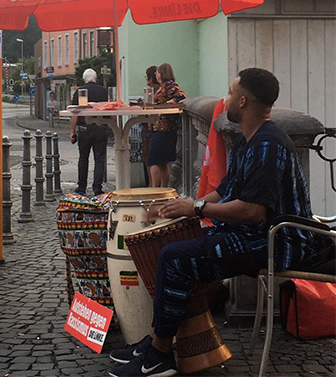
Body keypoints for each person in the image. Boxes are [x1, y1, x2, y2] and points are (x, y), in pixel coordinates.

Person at [108, 68, 315, 377]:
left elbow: (252, 211)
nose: (226, 98)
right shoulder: (250, 140)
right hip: (255, 234)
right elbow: (224, 191)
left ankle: (160, 354)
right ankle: (156, 342)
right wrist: (179, 207)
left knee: (174, 257)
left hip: (276, 242)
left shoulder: (267, 145)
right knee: (173, 244)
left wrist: (197, 209)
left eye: (231, 93)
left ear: (243, 101)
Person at [147, 62, 187, 188]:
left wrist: (172, 101)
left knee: (153, 160)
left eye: (157, 73)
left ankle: (155, 189)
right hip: (164, 127)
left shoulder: (169, 85)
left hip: (164, 128)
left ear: (162, 73)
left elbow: (182, 96)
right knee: (163, 162)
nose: (156, 75)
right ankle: (163, 189)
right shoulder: (164, 86)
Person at [71, 68, 110, 196]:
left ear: (83, 79)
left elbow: (74, 113)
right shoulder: (103, 91)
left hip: (84, 128)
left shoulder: (79, 92)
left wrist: (72, 131)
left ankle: (82, 187)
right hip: (101, 127)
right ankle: (97, 188)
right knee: (100, 159)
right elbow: (110, 109)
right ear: (96, 78)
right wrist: (114, 127)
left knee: (83, 158)